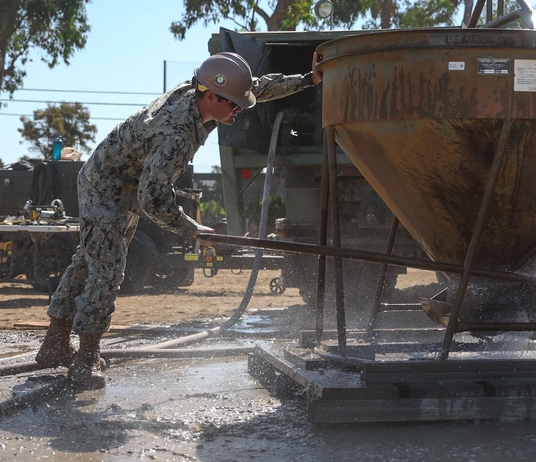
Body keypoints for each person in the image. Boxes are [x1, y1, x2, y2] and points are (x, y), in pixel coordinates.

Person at [35, 51, 322, 389]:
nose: (239, 110)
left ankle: (54, 345)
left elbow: (256, 88)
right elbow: (153, 199)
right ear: (211, 96)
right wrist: (192, 228)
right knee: (107, 269)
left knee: (88, 260)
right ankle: (85, 360)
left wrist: (307, 79)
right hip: (106, 187)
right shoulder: (177, 134)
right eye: (233, 104)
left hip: (124, 183)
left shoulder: (202, 92)